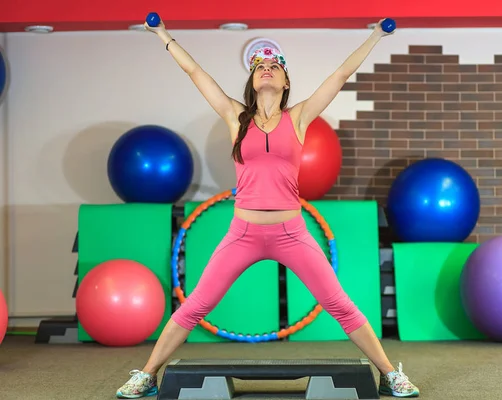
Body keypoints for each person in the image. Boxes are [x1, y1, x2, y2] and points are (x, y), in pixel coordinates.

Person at [116, 18, 420, 399]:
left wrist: (376, 34)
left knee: (339, 304)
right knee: (195, 306)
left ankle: (391, 373)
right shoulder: (235, 118)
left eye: (274, 65)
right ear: (253, 79)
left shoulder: (300, 117)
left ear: (286, 81)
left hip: (291, 233)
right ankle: (145, 375)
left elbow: (342, 73)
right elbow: (195, 72)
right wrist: (163, 35)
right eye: (260, 65)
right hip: (242, 234)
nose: (267, 68)